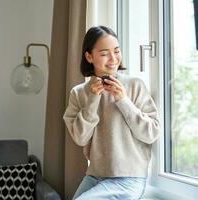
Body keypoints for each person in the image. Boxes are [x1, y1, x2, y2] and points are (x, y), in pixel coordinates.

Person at [63, 26, 160, 200]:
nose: (113, 59)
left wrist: (123, 99)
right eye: (104, 53)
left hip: (129, 178)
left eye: (116, 51)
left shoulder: (135, 85)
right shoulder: (78, 93)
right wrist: (93, 99)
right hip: (94, 175)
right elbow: (80, 138)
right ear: (89, 56)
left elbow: (151, 132)